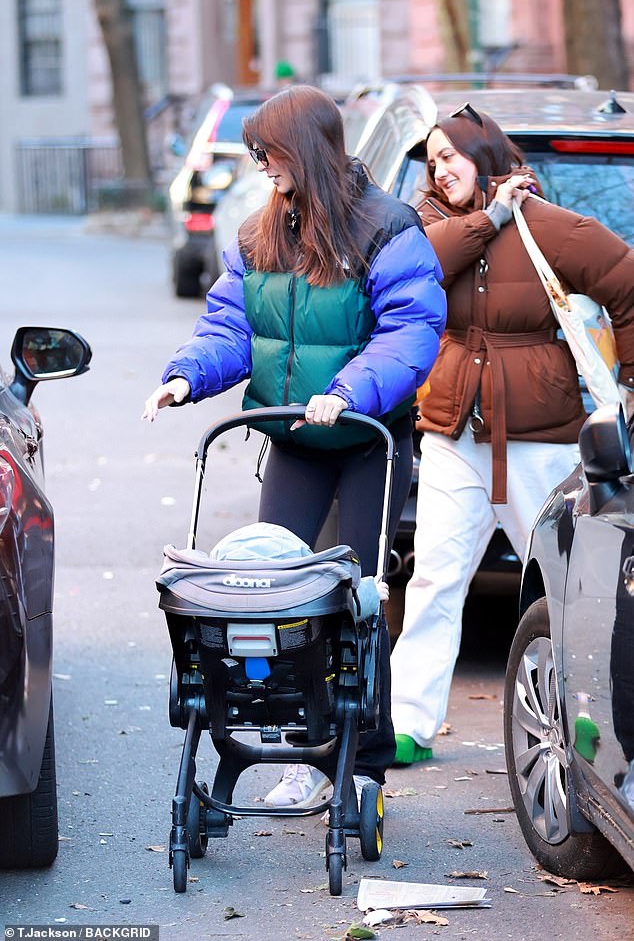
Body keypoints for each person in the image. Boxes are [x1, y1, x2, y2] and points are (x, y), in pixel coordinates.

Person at [143, 85, 447, 806]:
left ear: (306, 148)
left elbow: (412, 331)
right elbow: (231, 328)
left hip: (369, 434)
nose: (261, 166)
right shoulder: (259, 234)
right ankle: (301, 750)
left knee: (360, 599)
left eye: (269, 152)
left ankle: (363, 765)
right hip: (295, 435)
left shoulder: (386, 226)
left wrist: (347, 389)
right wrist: (186, 377)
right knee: (273, 593)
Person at [390, 102, 634, 767]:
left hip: (540, 439)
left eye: (451, 155)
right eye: (432, 159)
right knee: (435, 580)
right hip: (452, 436)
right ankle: (407, 724)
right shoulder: (425, 228)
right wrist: (490, 216)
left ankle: (590, 727)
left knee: (568, 591)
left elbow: (627, 284)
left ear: (486, 155)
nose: (439, 170)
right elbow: (420, 268)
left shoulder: (552, 228)